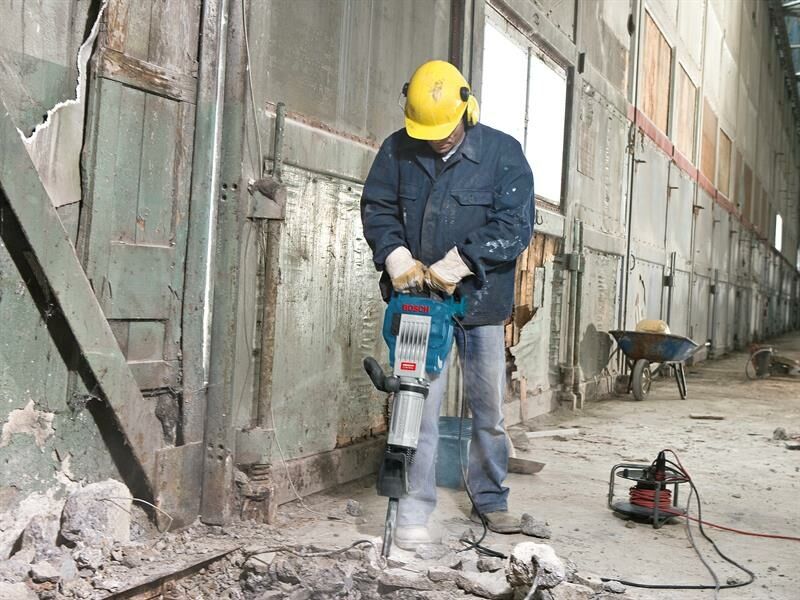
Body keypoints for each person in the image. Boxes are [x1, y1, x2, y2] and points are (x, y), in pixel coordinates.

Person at [360, 60, 535, 550]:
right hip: (419, 304)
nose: (436, 139)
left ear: (466, 106)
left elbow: (513, 228)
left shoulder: (503, 154)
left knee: (489, 410)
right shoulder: (396, 150)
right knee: (417, 405)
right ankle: (415, 509)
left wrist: (456, 265)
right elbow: (377, 208)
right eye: (427, 130)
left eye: (444, 129)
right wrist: (396, 257)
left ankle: (491, 500)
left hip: (479, 302)